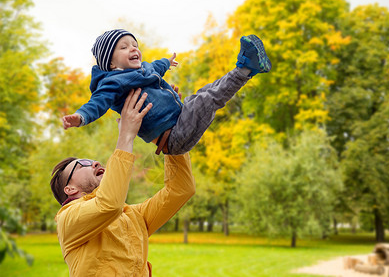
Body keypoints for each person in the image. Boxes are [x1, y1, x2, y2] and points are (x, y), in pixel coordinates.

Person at [51, 89, 195, 277]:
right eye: (81, 165)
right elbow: (109, 204)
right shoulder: (67, 219)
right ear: (69, 189)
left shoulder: (134, 216)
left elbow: (181, 189)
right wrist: (126, 134)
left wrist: (169, 135)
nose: (94, 162)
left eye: (92, 160)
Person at [62, 29, 272, 155]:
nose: (133, 49)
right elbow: (97, 103)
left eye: (135, 45)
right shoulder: (113, 83)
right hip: (173, 137)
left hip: (180, 115)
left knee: (205, 92)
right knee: (209, 98)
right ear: (110, 63)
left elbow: (156, 66)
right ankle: (246, 68)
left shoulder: (143, 69)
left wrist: (168, 62)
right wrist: (80, 117)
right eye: (124, 47)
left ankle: (247, 67)